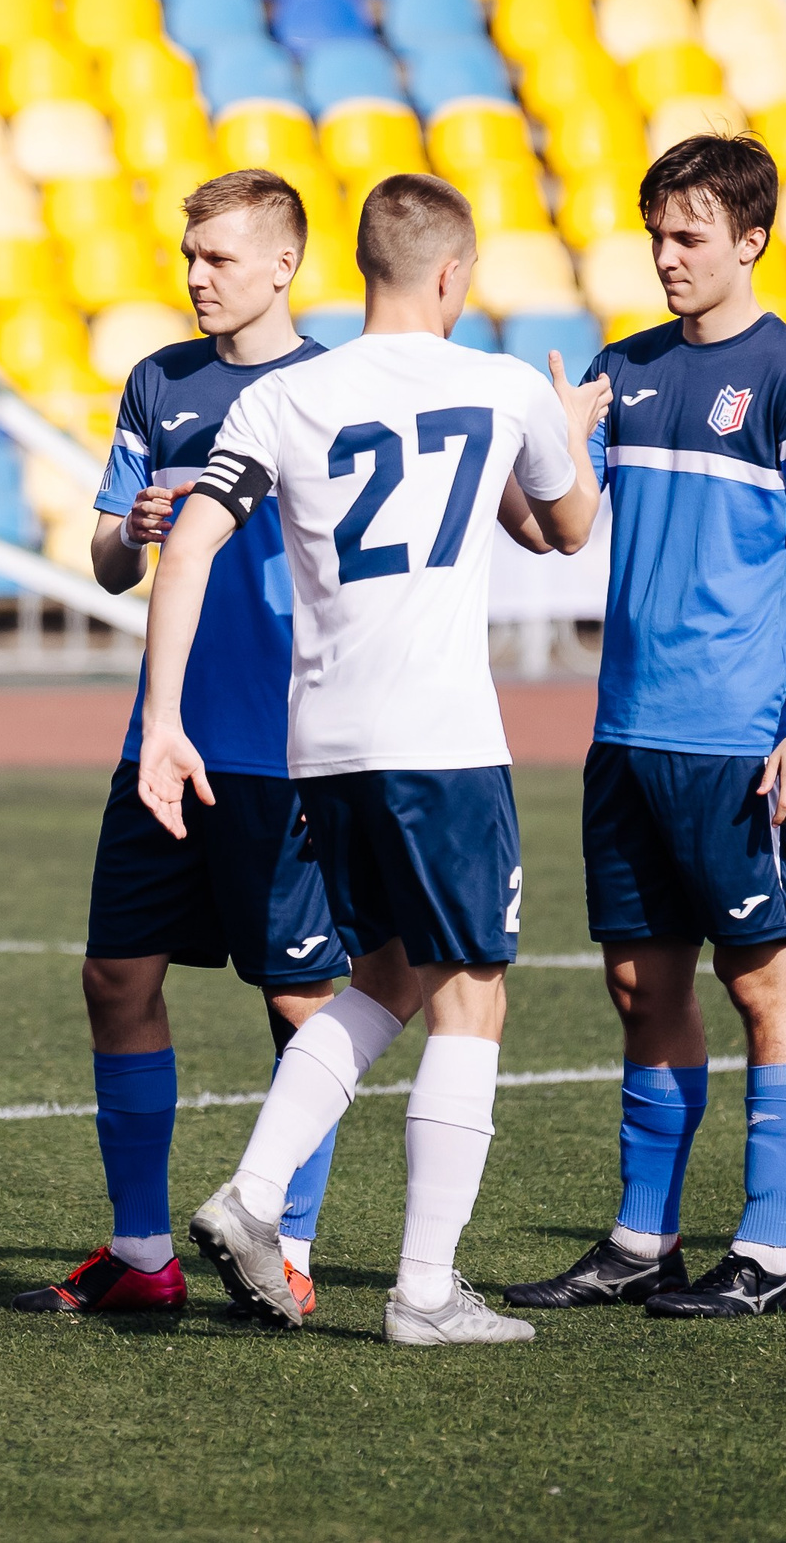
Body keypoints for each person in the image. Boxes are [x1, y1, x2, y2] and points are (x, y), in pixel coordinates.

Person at [143, 174, 600, 1346]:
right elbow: (567, 524)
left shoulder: (292, 394)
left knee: (387, 975)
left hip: (324, 747)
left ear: (356, 268)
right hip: (442, 741)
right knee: (472, 996)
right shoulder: (503, 386)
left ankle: (252, 1192)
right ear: (454, 275)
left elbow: (191, 540)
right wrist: (576, 434)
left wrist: (159, 718)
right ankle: (425, 1291)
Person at [505, 135, 786, 1321]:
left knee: (764, 980)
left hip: (737, 743)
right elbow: (558, 532)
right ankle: (639, 1239)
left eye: (689, 235)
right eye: (657, 233)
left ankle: (765, 1256)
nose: (665, 256)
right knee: (633, 980)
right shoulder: (627, 365)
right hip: (626, 738)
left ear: (750, 240)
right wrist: (549, 440)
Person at [13, 171, 349, 1320]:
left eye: (217, 257)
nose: (196, 274)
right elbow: (108, 556)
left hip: (290, 747)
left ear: (282, 266)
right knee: (117, 975)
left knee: (300, 1002)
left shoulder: (335, 385)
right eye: (189, 254)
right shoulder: (158, 378)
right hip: (163, 739)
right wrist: (135, 528)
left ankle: (287, 1244)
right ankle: (141, 1250)